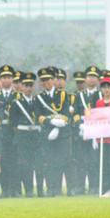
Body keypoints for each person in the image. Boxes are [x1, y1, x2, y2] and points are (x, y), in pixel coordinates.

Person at [34, 67, 71, 196]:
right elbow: (38, 116)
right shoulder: (39, 98)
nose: (45, 83)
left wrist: (58, 125)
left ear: (54, 80)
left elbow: (67, 114)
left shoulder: (64, 95)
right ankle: (52, 189)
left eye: (48, 79)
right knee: (49, 163)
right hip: (48, 135)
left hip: (63, 134)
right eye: (42, 80)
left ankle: (66, 189)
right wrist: (51, 123)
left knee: (64, 161)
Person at [72, 65, 101, 195]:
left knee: (94, 161)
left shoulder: (101, 94)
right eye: (89, 76)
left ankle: (95, 186)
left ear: (98, 79)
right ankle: (80, 186)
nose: (91, 79)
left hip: (97, 132)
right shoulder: (79, 96)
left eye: (94, 77)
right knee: (81, 160)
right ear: (85, 79)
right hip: (82, 131)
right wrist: (80, 124)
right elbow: (76, 113)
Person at [9, 72, 39, 197]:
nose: (28, 88)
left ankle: (32, 189)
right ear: (21, 86)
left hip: (35, 137)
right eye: (26, 85)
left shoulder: (37, 101)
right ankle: (24, 189)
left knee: (34, 163)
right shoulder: (16, 103)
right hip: (22, 136)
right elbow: (13, 123)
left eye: (30, 85)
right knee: (22, 164)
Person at [0, 65, 18, 197]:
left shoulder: (17, 96)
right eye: (4, 77)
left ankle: (14, 189)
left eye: (9, 77)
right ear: (0, 80)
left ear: (12, 79)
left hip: (14, 132)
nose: (6, 80)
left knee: (13, 161)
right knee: (1, 162)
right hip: (0, 132)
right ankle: (4, 189)